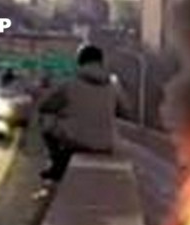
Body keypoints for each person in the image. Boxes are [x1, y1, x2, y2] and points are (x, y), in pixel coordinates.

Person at [36, 44, 129, 187]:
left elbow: (45, 106)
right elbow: (125, 111)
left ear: (80, 62)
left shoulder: (69, 84)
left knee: (46, 122)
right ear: (101, 62)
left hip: (76, 143)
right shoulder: (113, 86)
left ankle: (56, 165)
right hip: (106, 144)